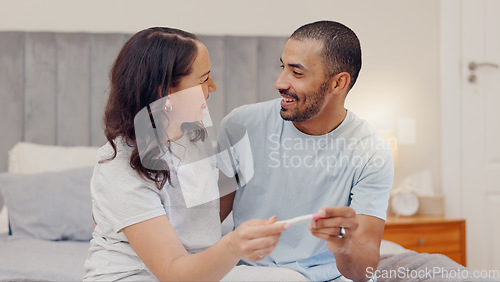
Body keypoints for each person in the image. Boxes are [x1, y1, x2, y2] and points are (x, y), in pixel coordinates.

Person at [83, 27, 307, 281]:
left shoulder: (191, 132)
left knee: (291, 278)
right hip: (140, 275)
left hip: (197, 270)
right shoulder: (119, 166)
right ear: (164, 92)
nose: (213, 86)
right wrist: (234, 244)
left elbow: (203, 208)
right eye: (203, 79)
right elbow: (173, 272)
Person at [218, 21, 394, 281]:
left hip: (331, 276)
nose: (280, 83)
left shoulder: (371, 152)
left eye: (296, 73)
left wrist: (344, 246)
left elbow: (364, 270)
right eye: (283, 67)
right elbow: (204, 223)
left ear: (338, 83)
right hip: (250, 272)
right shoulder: (240, 125)